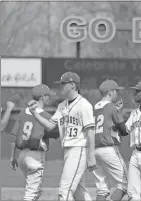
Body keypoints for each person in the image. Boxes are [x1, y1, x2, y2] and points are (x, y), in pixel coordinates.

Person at [28, 72, 96, 201]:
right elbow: (50, 126)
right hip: (68, 150)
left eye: (63, 84)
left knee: (64, 192)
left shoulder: (84, 105)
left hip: (79, 149)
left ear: (72, 85)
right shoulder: (62, 105)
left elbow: (91, 131)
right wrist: (35, 113)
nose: (60, 86)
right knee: (78, 192)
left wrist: (91, 156)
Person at [9, 84, 59, 201]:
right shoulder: (45, 116)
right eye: (48, 96)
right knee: (31, 194)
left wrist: (12, 156)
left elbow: (13, 136)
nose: (49, 98)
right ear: (43, 97)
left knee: (35, 190)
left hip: (22, 157)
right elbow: (56, 133)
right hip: (35, 157)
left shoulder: (22, 113)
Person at [92, 80, 128, 201]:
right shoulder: (112, 107)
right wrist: (119, 112)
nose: (117, 94)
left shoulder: (94, 107)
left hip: (93, 150)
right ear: (110, 92)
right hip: (108, 149)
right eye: (116, 91)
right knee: (124, 183)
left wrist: (117, 111)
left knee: (102, 188)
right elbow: (123, 130)